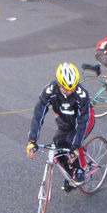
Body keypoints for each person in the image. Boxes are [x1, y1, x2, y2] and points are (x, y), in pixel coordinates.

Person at [27, 62, 94, 190]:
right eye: (65, 88)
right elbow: (38, 114)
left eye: (72, 88)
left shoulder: (82, 94)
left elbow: (82, 122)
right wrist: (32, 140)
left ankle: (80, 169)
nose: (69, 91)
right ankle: (70, 174)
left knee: (71, 143)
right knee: (58, 144)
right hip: (65, 120)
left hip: (84, 120)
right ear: (58, 84)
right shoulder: (49, 91)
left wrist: (75, 146)